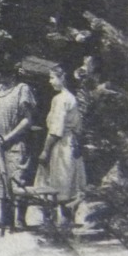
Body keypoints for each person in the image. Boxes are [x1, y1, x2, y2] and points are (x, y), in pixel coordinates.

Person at [0, 56, 39, 231]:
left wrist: (8, 137)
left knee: (18, 179)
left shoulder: (22, 89)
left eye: (3, 74)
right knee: (0, 180)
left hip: (15, 142)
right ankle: (4, 218)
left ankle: (20, 220)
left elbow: (27, 120)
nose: (0, 77)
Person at [40, 63, 87, 230]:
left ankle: (56, 226)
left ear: (62, 78)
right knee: (67, 185)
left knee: (59, 185)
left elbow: (56, 130)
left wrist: (45, 151)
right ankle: (63, 224)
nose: (50, 81)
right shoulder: (70, 98)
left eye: (52, 77)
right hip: (69, 143)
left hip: (61, 146)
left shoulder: (61, 99)